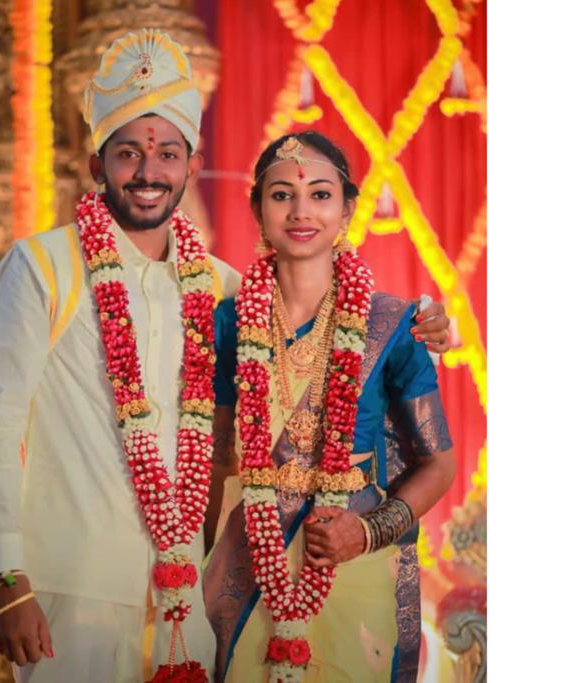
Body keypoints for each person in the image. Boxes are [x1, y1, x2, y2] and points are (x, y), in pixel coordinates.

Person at [0, 29, 452, 683]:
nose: (149, 172)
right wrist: (9, 577)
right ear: (96, 166)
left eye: (167, 153)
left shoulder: (221, 290)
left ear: (191, 168)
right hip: (74, 590)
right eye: (128, 153)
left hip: (189, 596)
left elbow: (319, 329)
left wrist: (425, 325)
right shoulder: (43, 268)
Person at [202, 131, 456, 683]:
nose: (301, 211)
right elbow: (216, 460)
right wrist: (183, 568)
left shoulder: (394, 325)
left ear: (347, 210)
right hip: (248, 563)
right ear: (257, 209)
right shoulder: (227, 322)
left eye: (320, 194)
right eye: (282, 195)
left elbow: (439, 465)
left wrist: (366, 533)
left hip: (352, 566)